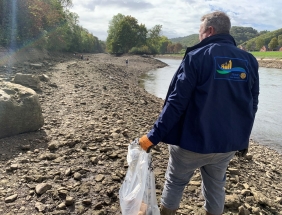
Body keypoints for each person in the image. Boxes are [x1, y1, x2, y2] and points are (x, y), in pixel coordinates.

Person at [139, 11, 259, 215]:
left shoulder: (197, 57)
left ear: (210, 31)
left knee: (175, 182)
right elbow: (252, 104)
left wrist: (152, 137)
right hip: (226, 145)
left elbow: (176, 103)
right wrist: (242, 141)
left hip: (191, 143)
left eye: (200, 32)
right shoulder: (249, 61)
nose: (199, 37)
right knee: (216, 187)